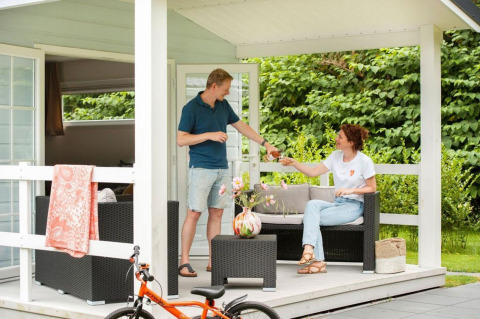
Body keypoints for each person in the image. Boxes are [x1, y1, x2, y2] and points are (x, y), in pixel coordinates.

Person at [177, 68, 277, 277]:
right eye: (226, 89)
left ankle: (214, 261)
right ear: (214, 86)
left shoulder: (223, 105)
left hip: (221, 169)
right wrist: (209, 135)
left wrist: (265, 144)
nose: (228, 93)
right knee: (194, 213)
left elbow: (242, 127)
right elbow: (181, 139)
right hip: (201, 168)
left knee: (217, 213)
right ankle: (184, 262)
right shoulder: (191, 108)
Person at [280, 124, 376, 274]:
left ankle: (315, 258)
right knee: (312, 205)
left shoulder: (364, 161)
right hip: (337, 204)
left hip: (353, 206)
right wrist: (294, 163)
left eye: (340, 137)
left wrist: (350, 190)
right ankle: (310, 250)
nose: (336, 139)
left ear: (351, 142)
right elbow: (313, 172)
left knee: (311, 218)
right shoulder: (335, 157)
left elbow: (372, 187)